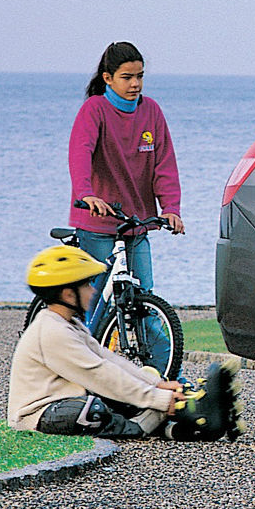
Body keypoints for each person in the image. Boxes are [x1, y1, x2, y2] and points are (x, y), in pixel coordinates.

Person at [9, 245, 241, 440]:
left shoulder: (68, 324)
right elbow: (100, 374)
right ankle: (146, 425)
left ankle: (191, 419)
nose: (92, 291)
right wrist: (160, 400)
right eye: (87, 285)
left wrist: (157, 384)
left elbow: (108, 360)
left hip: (69, 397)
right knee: (91, 410)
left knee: (134, 386)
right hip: (41, 415)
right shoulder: (51, 332)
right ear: (69, 294)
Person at [67, 41, 183, 347]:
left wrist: (170, 207)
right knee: (96, 305)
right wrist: (87, 194)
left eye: (140, 76)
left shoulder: (152, 112)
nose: (135, 84)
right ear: (108, 78)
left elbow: (165, 165)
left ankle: (167, 375)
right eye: (127, 77)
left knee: (145, 302)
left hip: (136, 223)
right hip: (97, 223)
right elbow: (80, 153)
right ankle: (81, 368)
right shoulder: (94, 110)